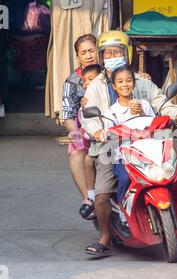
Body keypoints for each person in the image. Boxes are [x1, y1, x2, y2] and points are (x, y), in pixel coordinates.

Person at [81, 30, 177, 257]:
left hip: (148, 145)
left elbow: (161, 102)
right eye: (107, 52)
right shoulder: (95, 86)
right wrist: (97, 130)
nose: (111, 56)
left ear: (126, 53)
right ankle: (105, 236)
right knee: (101, 195)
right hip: (111, 148)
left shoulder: (140, 81)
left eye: (116, 51)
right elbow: (87, 116)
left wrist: (176, 114)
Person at [104, 66, 156, 205]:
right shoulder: (111, 112)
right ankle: (122, 207)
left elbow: (154, 127)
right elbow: (110, 136)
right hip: (124, 156)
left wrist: (141, 113)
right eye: (120, 82)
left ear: (134, 83)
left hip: (147, 154)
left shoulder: (144, 104)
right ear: (114, 86)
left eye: (128, 80)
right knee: (126, 178)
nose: (125, 84)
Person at [62, 34, 98, 220]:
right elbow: (68, 113)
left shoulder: (109, 73)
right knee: (76, 150)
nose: (89, 55)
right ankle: (89, 199)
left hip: (111, 124)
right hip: (83, 126)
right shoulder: (72, 81)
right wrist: (73, 131)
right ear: (78, 57)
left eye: (91, 50)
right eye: (83, 52)